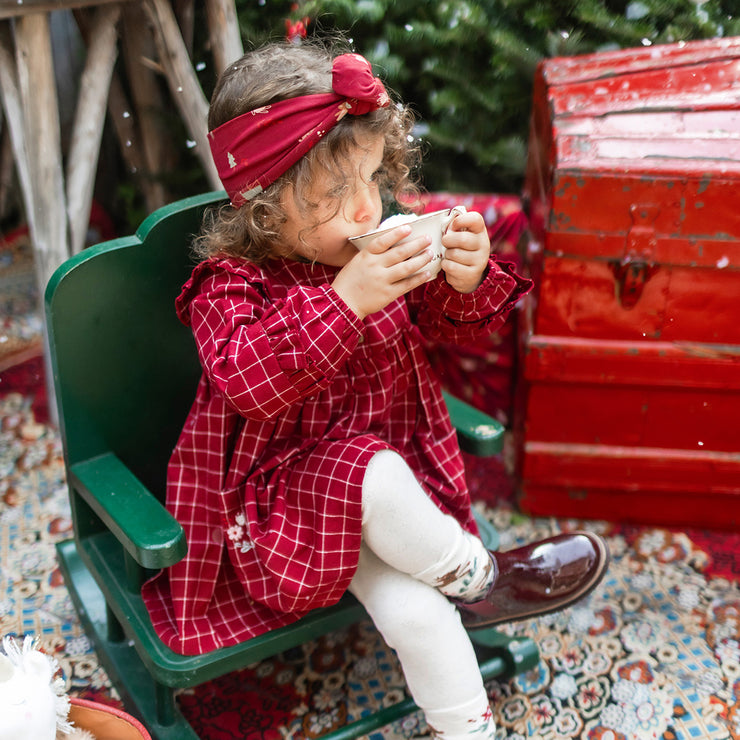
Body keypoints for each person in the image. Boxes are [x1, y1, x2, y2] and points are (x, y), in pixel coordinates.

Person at [141, 40, 610, 739]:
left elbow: (445, 329)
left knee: (418, 613)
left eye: (369, 179)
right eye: (335, 195)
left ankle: (469, 727)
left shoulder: (378, 245)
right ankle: (482, 580)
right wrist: (344, 300)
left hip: (380, 510)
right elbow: (247, 383)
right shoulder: (230, 286)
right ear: (264, 207)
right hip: (282, 506)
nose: (367, 210)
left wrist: (463, 275)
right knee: (374, 471)